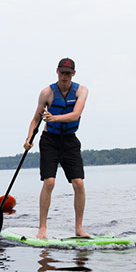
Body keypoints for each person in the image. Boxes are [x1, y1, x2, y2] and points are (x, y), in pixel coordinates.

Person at [24, 57, 89, 239]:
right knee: (49, 182)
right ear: (57, 72)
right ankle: (42, 228)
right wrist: (29, 138)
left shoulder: (81, 91)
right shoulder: (47, 93)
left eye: (68, 73)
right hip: (50, 141)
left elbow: (75, 115)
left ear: (73, 74)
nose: (64, 76)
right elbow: (36, 119)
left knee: (79, 183)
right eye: (62, 72)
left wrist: (54, 118)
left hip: (70, 141)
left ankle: (79, 228)